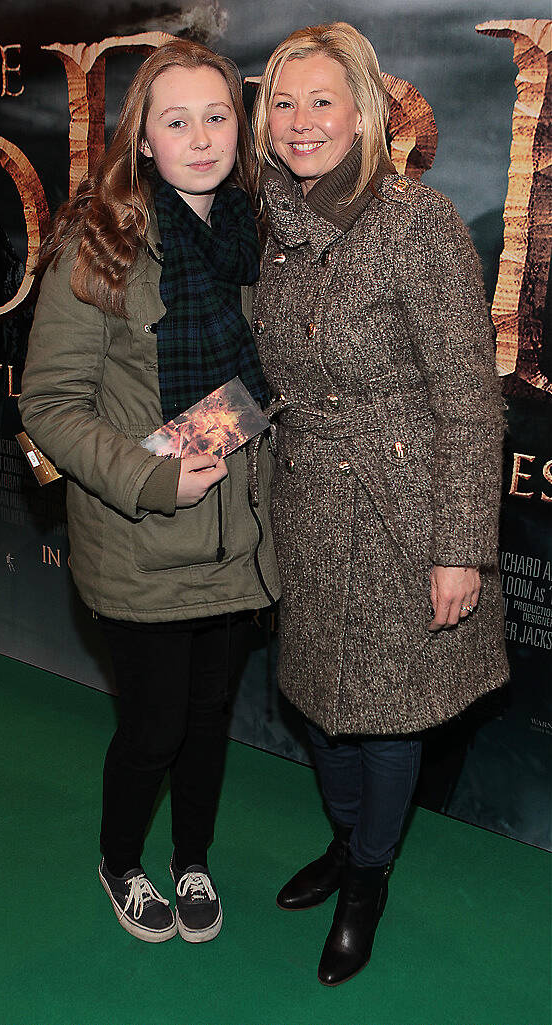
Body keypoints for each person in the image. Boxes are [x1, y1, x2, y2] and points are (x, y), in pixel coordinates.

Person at [252, 22, 508, 986]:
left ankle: (367, 878)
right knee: (320, 700)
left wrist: (460, 548)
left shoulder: (417, 221)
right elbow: (262, 375)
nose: (302, 120)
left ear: (364, 113)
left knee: (389, 711)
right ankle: (349, 838)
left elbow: (468, 398)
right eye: (283, 101)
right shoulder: (275, 227)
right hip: (309, 497)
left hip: (404, 505)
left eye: (323, 100)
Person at [19, 40, 279, 945]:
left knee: (210, 718)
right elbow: (48, 403)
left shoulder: (251, 238)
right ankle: (121, 862)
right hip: (141, 538)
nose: (201, 137)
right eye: (177, 120)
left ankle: (191, 855)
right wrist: (151, 477)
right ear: (142, 139)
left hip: (237, 541)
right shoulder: (101, 244)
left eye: (218, 116)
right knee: (153, 728)